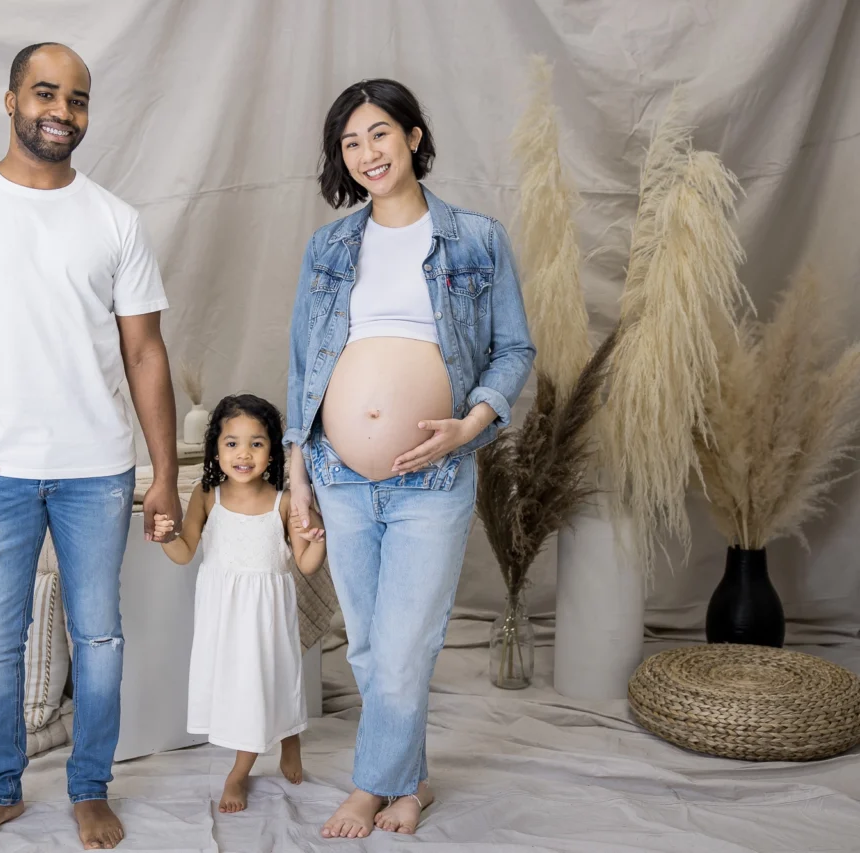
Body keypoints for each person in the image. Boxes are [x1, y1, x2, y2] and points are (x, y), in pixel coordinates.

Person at [0, 42, 183, 852]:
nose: (62, 111)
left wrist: (163, 474)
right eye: (45, 93)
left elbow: (146, 353)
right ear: (10, 99)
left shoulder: (115, 219)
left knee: (100, 636)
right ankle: (0, 788)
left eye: (77, 100)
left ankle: (90, 788)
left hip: (98, 469)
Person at [284, 79, 535, 839]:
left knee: (405, 642)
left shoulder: (475, 239)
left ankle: (369, 787)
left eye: (380, 134)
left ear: (415, 137)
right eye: (351, 142)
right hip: (339, 472)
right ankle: (411, 780)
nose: (366, 154)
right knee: (367, 642)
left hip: (432, 475)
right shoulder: (329, 245)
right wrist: (297, 478)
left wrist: (471, 428)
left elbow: (514, 347)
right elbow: (302, 367)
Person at [152, 394, 327, 813]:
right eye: (232, 443)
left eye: (256, 443)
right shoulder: (206, 495)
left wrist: (320, 536)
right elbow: (185, 552)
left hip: (265, 616)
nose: (243, 454)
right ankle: (289, 736)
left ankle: (239, 773)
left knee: (269, 680)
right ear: (215, 448)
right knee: (247, 688)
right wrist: (166, 537)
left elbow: (305, 563)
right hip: (223, 617)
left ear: (273, 451)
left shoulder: (283, 502)